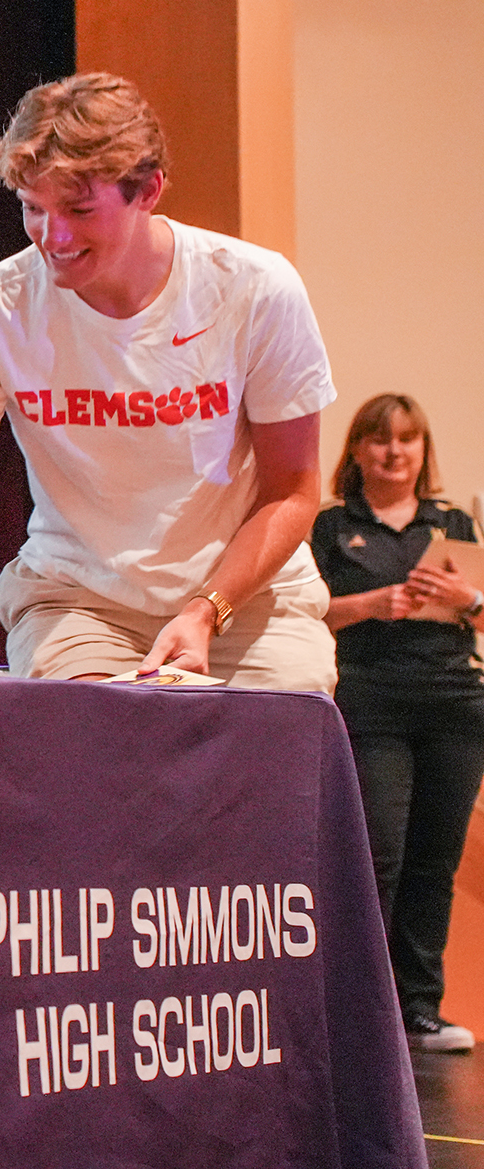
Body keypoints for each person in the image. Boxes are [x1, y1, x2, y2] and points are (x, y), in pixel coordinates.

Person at [0, 72, 336, 689]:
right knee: (104, 751)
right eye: (33, 208)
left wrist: (204, 611)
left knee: (271, 752)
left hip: (247, 597)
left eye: (80, 210)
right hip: (79, 600)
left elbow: (292, 492)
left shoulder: (254, 289)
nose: (52, 237)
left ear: (149, 190)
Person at [313, 393, 484, 1053]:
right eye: (380, 440)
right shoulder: (331, 525)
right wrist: (373, 603)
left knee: (432, 860)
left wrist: (464, 599)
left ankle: (419, 1008)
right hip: (371, 698)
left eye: (407, 440)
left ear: (422, 450)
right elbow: (308, 610)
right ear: (356, 450)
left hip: (454, 702)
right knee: (376, 855)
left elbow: (478, 608)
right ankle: (360, 1007)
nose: (394, 452)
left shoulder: (452, 524)